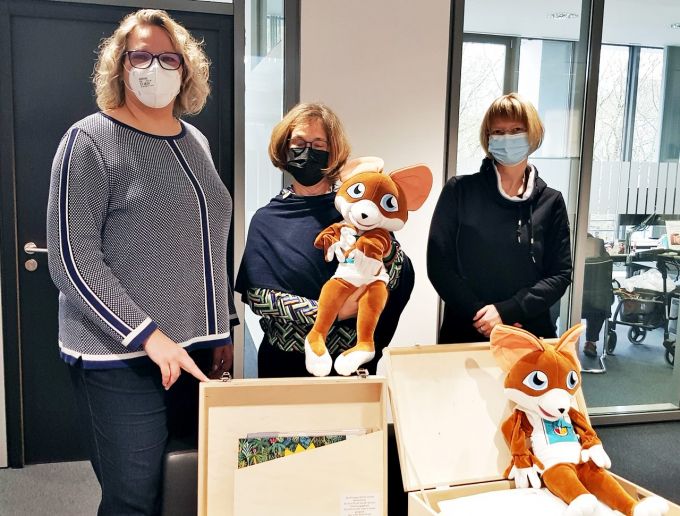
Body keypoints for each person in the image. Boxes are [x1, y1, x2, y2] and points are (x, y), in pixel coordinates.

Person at [46, 9, 237, 515]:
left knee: (189, 487)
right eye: (142, 56)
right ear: (121, 66)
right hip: (121, 358)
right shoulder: (89, 140)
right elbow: (72, 260)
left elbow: (206, 241)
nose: (156, 67)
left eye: (169, 58)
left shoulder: (195, 141)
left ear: (186, 69)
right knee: (135, 499)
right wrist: (149, 336)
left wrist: (222, 326)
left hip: (192, 351)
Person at [235, 102, 414, 378]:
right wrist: (333, 311)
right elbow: (259, 297)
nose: (308, 151)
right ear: (284, 147)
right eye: (299, 143)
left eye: (318, 145)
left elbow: (395, 272)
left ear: (334, 152)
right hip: (284, 363)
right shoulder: (266, 218)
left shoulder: (356, 210)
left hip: (347, 364)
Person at [427, 92, 572, 343]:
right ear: (488, 138)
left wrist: (508, 312)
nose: (508, 138)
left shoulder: (551, 201)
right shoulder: (459, 191)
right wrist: (483, 317)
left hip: (528, 333)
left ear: (533, 134)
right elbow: (439, 264)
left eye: (517, 130)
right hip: (466, 330)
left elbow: (560, 274)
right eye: (498, 132)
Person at [582, 233, 610, 357]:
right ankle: (591, 343)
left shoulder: (564, 254)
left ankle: (551, 341)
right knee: (599, 306)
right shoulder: (605, 258)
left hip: (567, 303)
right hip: (595, 304)